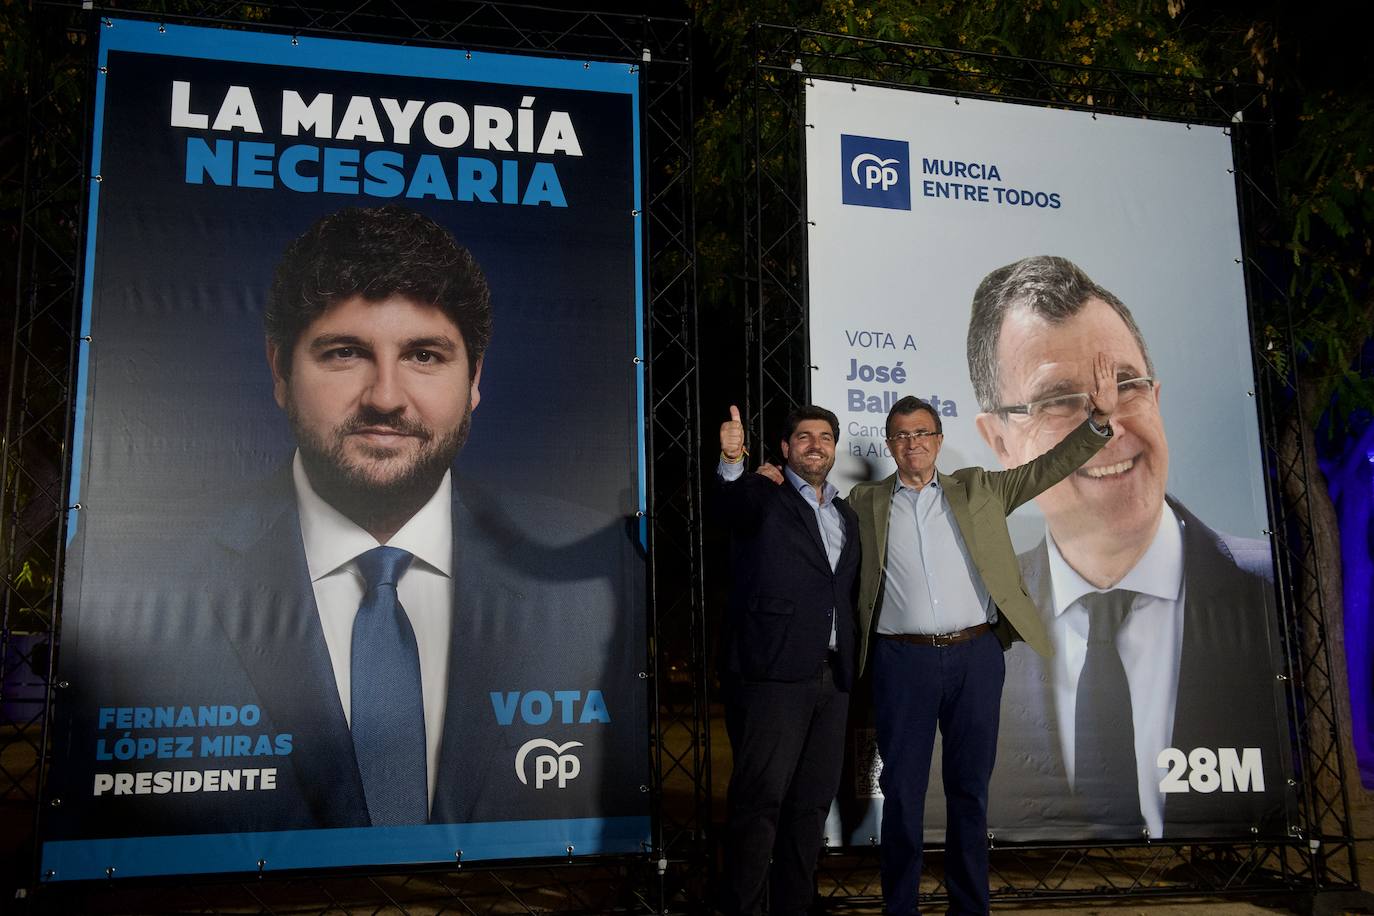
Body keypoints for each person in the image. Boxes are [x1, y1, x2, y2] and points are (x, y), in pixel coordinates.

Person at [51, 206, 644, 838]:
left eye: (424, 355)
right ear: (280, 371)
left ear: (474, 379)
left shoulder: (598, 572)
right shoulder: (134, 576)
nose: (385, 397)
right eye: (344, 353)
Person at [967, 255, 1284, 839]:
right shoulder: (971, 624)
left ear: (1155, 397)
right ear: (1000, 443)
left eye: (1126, 385)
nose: (1106, 423)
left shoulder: (1277, 597)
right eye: (1059, 399)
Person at [847, 356, 1117, 916]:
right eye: (902, 436)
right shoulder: (864, 503)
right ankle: (900, 909)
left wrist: (1095, 424)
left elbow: (1046, 469)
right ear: (890, 445)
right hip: (901, 662)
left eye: (922, 433)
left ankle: (970, 908)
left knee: (970, 790)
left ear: (939, 440)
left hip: (974, 656)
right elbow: (813, 514)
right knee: (902, 792)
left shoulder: (979, 489)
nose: (913, 443)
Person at [716, 404, 861, 916]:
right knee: (760, 803)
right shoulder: (765, 495)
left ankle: (794, 906)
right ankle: (743, 908)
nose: (815, 445)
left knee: (811, 805)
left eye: (825, 437)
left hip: (833, 679)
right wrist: (733, 462)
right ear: (784, 447)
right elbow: (731, 508)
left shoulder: (845, 515)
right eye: (803, 437)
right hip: (774, 674)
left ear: (834, 448)